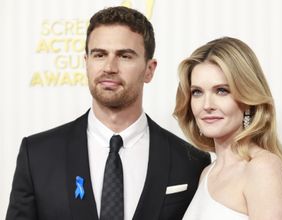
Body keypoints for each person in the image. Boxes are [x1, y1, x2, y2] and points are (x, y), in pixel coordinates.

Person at [6, 6, 210, 220]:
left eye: (125, 56)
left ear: (149, 70)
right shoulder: (38, 155)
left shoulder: (190, 162)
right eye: (100, 55)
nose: (109, 67)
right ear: (86, 63)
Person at [174, 37, 282, 220]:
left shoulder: (262, 168)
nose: (207, 105)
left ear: (248, 99)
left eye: (222, 90)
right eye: (197, 92)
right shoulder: (207, 173)